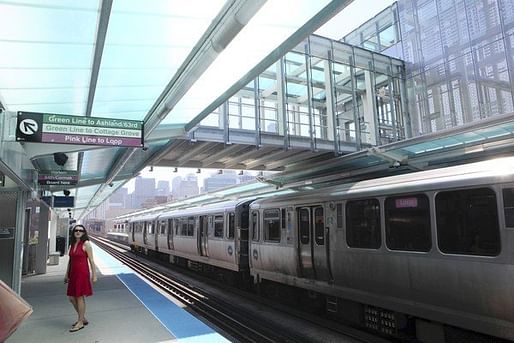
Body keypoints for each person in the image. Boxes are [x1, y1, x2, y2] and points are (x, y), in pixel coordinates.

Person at [64, 225, 97, 332]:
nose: (78, 232)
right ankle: (82, 319)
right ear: (73, 232)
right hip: (73, 273)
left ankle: (80, 322)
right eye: (76, 230)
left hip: (82, 273)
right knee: (71, 298)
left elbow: (91, 260)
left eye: (80, 230)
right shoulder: (73, 244)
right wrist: (66, 274)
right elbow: (70, 260)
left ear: (84, 232)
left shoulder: (86, 244)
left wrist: (94, 275)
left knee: (79, 296)